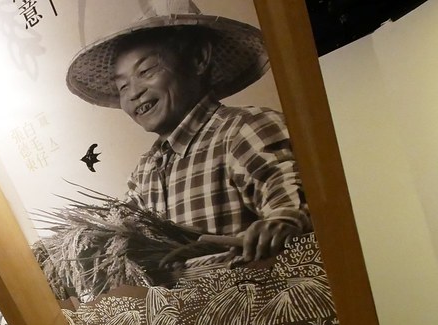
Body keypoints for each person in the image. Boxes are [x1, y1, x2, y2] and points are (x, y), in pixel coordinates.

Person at [65, 0, 311, 269]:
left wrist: (281, 222)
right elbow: (125, 235)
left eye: (146, 71)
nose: (134, 92)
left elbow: (288, 194)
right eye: (123, 86)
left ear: (198, 58)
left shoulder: (242, 131)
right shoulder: (144, 172)